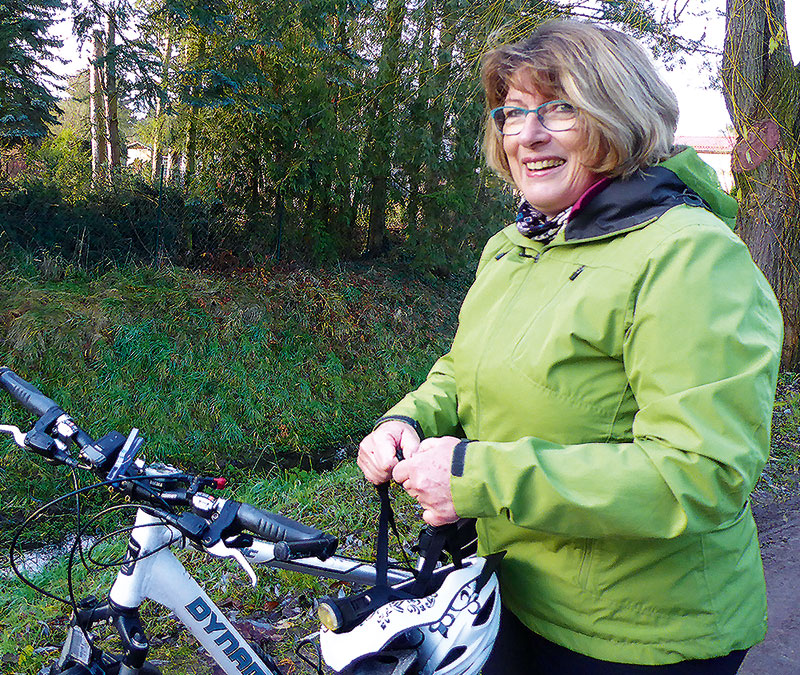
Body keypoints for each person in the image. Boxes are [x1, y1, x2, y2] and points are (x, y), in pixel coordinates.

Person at [357, 19, 784, 675]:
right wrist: (410, 418)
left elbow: (699, 473)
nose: (528, 134)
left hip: (641, 635)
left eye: (559, 109)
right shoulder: (515, 246)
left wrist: (477, 475)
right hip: (516, 589)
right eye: (513, 112)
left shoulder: (691, 258)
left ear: (620, 115)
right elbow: (468, 367)